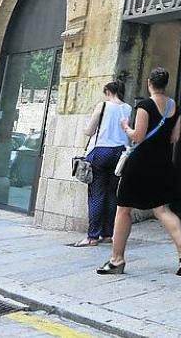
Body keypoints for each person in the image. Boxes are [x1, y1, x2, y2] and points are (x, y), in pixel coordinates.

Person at [96, 67, 181, 276]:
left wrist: (125, 127)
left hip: (140, 164)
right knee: (162, 209)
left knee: (123, 209)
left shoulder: (145, 105)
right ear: (164, 83)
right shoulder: (174, 106)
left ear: (150, 82)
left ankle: (116, 260)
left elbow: (137, 136)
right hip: (163, 163)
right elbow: (174, 137)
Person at [70, 79, 132, 247]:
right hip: (120, 153)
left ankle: (92, 236)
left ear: (107, 91)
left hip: (101, 151)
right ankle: (107, 233)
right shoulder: (127, 108)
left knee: (96, 193)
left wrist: (85, 126)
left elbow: (89, 130)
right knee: (112, 193)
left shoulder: (103, 106)